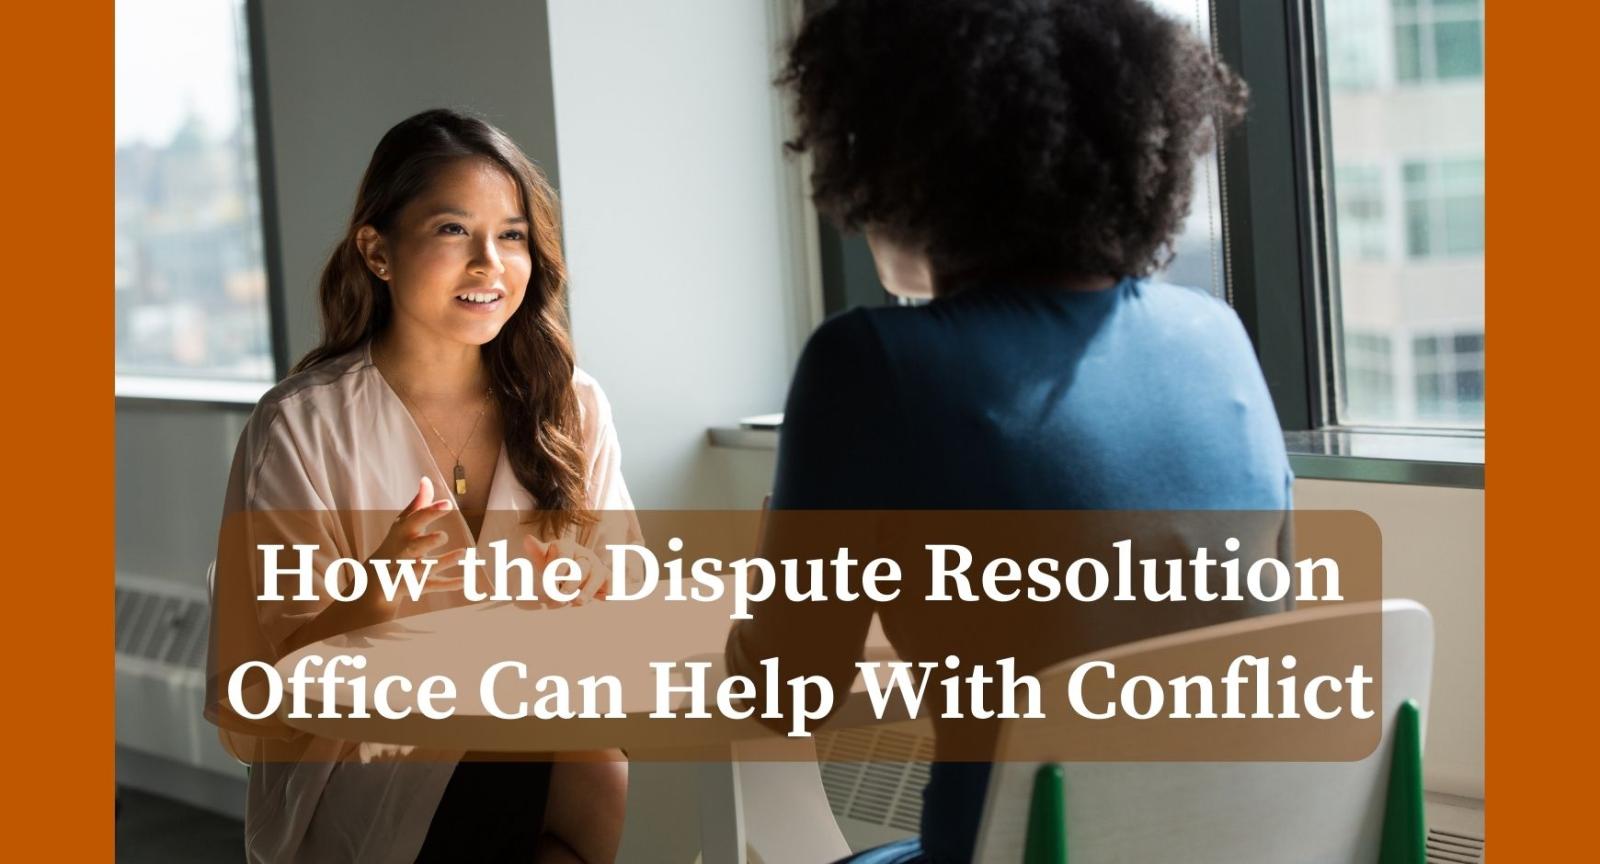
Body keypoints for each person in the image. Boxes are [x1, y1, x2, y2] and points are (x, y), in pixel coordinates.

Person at [725, 1, 1292, 862]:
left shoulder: (872, 363)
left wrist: (774, 585)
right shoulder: (1218, 338)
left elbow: (789, 694)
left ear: (900, 160)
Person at [205, 108, 636, 863]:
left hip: (550, 760)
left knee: (585, 746)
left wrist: (591, 589)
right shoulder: (301, 426)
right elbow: (258, 705)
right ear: (377, 251)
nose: (489, 264)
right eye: (452, 230)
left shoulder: (573, 405)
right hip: (361, 780)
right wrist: (371, 602)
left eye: (512, 236)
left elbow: (637, 625)